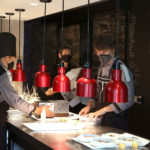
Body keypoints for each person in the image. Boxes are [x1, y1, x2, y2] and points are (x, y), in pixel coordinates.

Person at [0, 32, 53, 150]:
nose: (12, 65)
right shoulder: (1, 73)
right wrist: (36, 110)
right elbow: (13, 100)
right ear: (6, 57)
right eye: (11, 60)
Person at [79, 34, 134, 130]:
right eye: (98, 51)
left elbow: (129, 100)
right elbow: (97, 91)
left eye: (104, 50)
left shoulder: (123, 70)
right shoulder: (101, 67)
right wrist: (89, 105)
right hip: (101, 117)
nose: (101, 54)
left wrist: (101, 111)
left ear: (113, 49)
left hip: (116, 120)